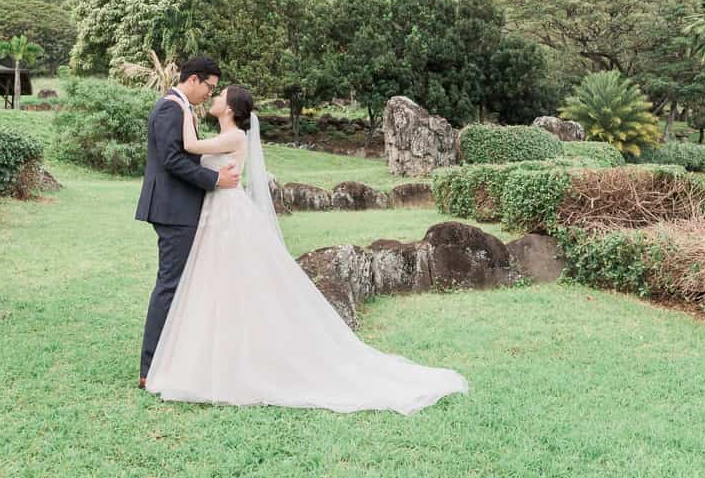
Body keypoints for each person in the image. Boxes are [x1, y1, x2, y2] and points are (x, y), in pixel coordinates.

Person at [144, 81, 468, 414]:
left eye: (219, 94)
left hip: (228, 215)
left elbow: (188, 145)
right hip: (214, 213)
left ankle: (239, 362)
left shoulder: (234, 136)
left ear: (230, 107)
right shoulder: (221, 134)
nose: (214, 96)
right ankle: (212, 358)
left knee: (235, 286)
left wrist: (183, 109)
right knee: (214, 286)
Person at [136, 56, 239, 387]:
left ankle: (170, 359)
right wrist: (214, 180)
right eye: (209, 86)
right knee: (170, 285)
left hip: (178, 207)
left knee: (176, 284)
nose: (210, 94)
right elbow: (171, 160)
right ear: (193, 80)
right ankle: (149, 370)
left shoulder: (181, 107)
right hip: (173, 209)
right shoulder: (171, 107)